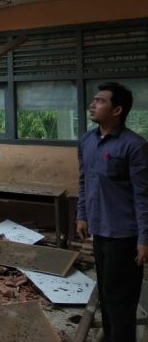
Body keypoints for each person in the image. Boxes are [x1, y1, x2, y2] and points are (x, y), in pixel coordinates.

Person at [76, 82, 148, 342]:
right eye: (93, 100)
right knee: (106, 293)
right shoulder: (87, 140)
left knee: (121, 297)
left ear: (117, 110)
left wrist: (144, 239)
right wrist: (81, 215)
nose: (93, 105)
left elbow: (143, 196)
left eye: (100, 101)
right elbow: (84, 181)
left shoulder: (134, 146)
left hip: (125, 234)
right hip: (99, 229)